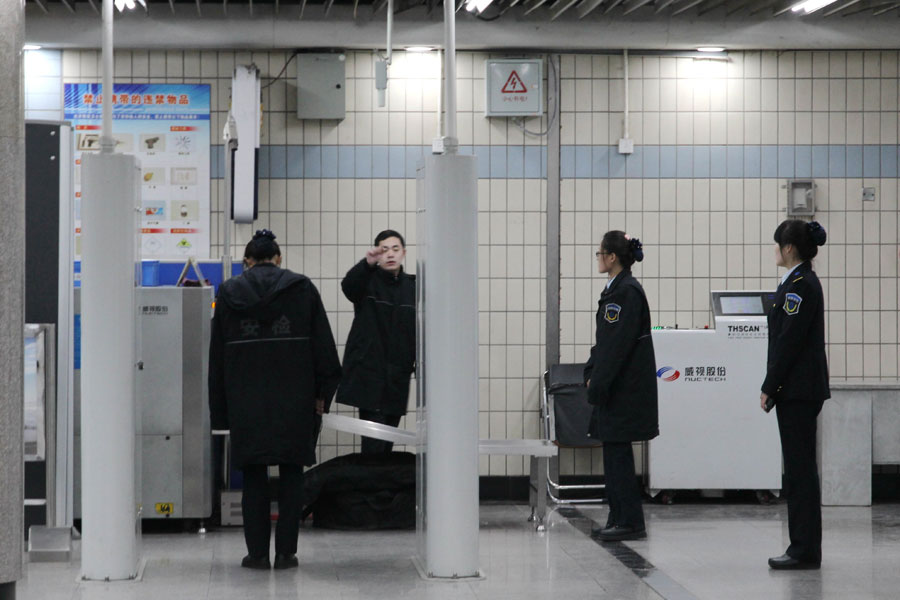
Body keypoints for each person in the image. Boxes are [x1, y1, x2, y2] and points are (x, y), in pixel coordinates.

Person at [209, 229, 342, 570]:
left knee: (254, 476)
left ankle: (256, 554)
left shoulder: (227, 293)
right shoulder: (302, 289)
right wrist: (321, 396)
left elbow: (217, 359)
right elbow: (324, 350)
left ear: (247, 262)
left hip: (245, 401)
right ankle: (286, 553)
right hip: (294, 399)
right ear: (278, 258)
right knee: (291, 475)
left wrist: (221, 413)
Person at [761, 220, 829, 570]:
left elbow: (788, 342)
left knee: (800, 471)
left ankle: (803, 549)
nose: (775, 250)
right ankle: (803, 546)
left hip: (799, 390)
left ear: (789, 249)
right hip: (799, 388)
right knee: (800, 468)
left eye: (777, 245)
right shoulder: (797, 283)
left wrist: (769, 385)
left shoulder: (800, 287)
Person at [583, 231, 658, 542]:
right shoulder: (619, 289)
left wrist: (597, 383)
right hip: (617, 388)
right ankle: (619, 516)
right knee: (615, 455)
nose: (598, 258)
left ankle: (629, 521)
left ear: (611, 257)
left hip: (622, 390)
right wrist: (591, 370)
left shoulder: (625, 293)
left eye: (600, 253)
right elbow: (605, 342)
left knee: (619, 457)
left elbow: (615, 347)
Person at [336, 229, 416, 454]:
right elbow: (348, 287)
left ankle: (379, 488)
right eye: (384, 249)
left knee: (387, 443)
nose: (390, 254)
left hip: (397, 378)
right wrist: (366, 263)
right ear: (377, 255)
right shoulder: (367, 283)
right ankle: (369, 489)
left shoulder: (413, 288)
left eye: (395, 249)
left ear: (404, 253)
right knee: (372, 448)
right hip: (369, 379)